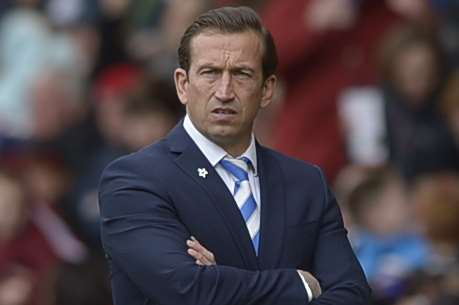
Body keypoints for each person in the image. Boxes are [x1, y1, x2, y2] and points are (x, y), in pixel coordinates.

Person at [98, 6, 370, 305]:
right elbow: (189, 289)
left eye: (241, 74)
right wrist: (299, 284)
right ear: (182, 85)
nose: (224, 91)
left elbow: (353, 295)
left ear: (267, 89)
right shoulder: (135, 180)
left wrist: (220, 280)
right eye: (210, 73)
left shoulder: (306, 183)